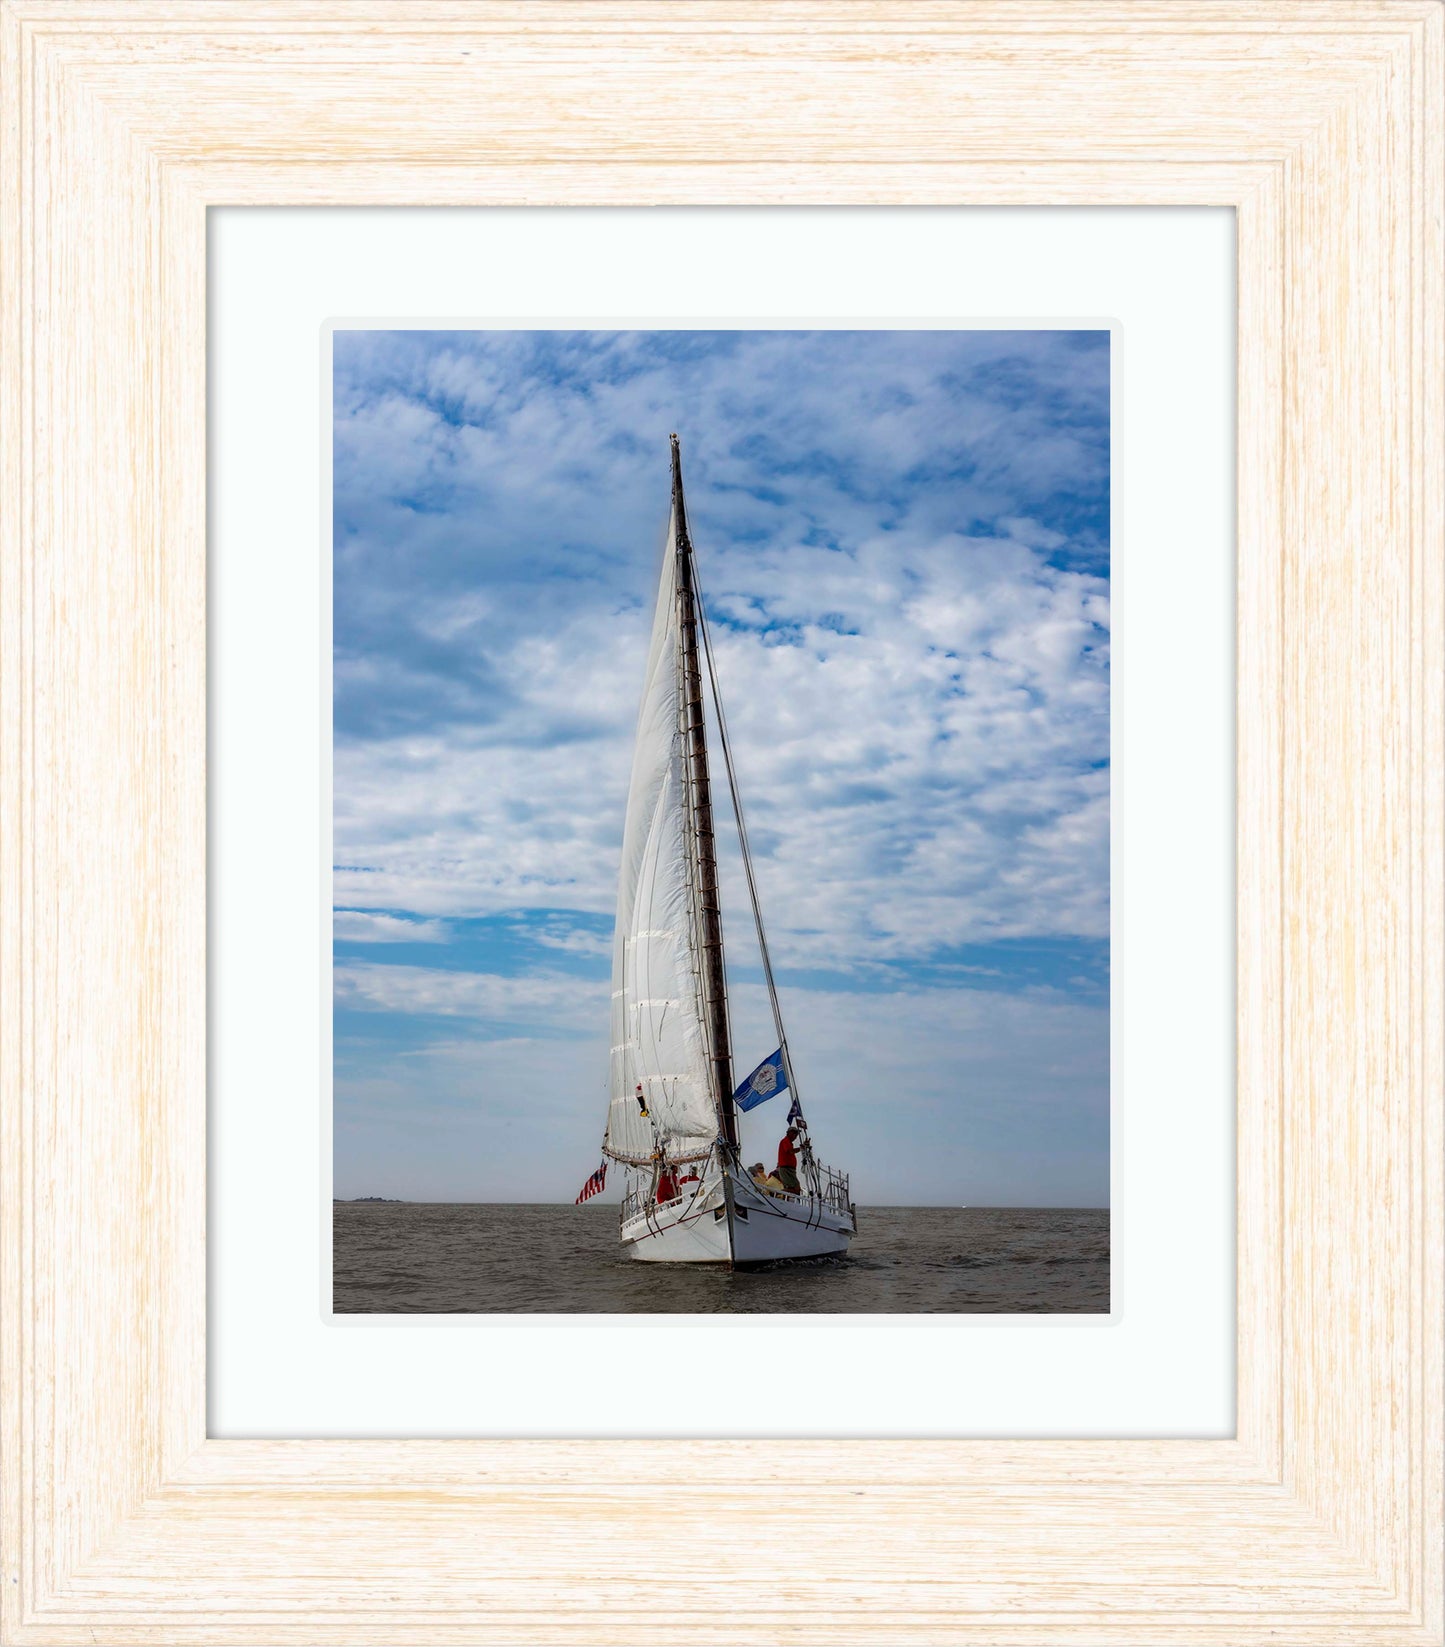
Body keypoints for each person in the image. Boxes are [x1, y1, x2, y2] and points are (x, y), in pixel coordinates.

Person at [776, 1127, 801, 1194]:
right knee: (796, 1189)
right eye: (794, 1133)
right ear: (789, 1133)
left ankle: (782, 1197)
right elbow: (790, 1151)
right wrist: (801, 1148)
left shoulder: (789, 1142)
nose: (796, 1136)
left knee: (794, 1188)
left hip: (789, 1170)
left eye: (797, 1134)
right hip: (786, 1169)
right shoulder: (785, 1141)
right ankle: (778, 1194)